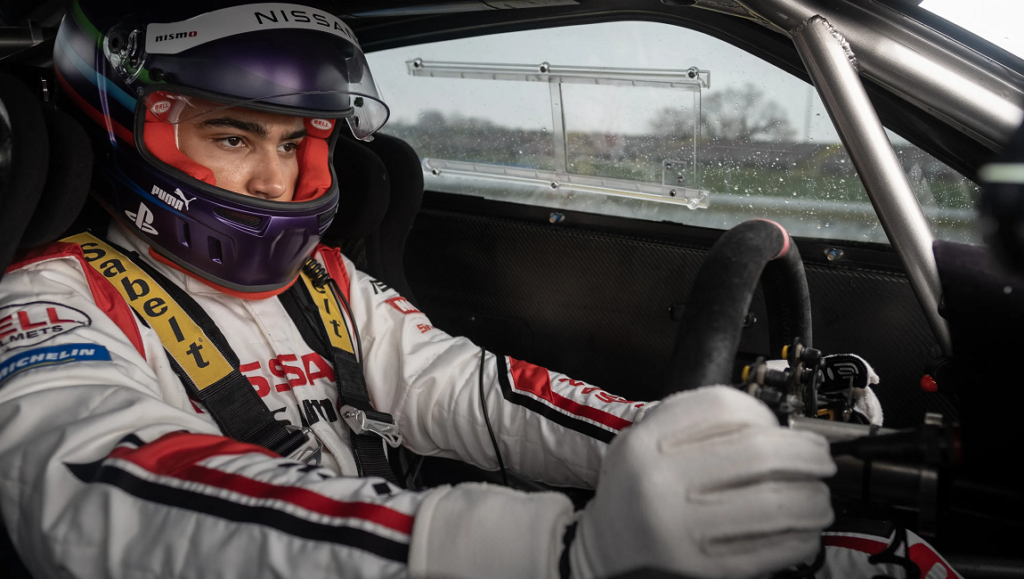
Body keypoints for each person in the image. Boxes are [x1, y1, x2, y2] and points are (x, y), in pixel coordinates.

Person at [0, 2, 958, 578]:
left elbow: (472, 391)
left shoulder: (324, 278)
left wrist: (708, 448)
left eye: (296, 143)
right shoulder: (52, 297)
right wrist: (547, 555)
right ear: (131, 126)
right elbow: (104, 489)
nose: (280, 186)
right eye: (234, 137)